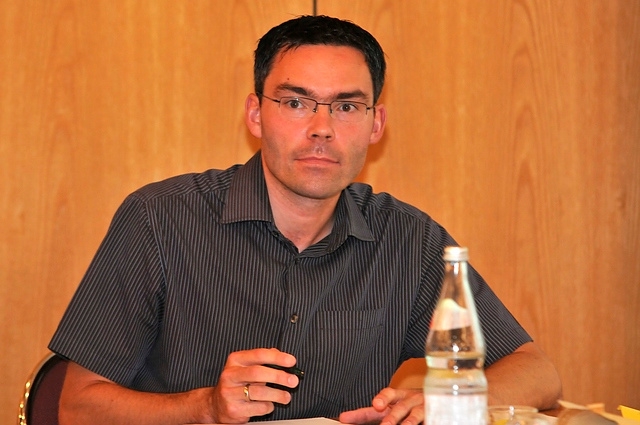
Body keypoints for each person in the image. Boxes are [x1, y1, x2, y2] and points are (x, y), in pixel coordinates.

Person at [50, 15, 562, 425]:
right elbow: (77, 408)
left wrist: (447, 401)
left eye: (346, 107)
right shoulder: (161, 219)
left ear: (376, 124)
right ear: (256, 114)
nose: (321, 129)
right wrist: (204, 408)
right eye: (296, 103)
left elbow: (536, 372)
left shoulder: (409, 240)